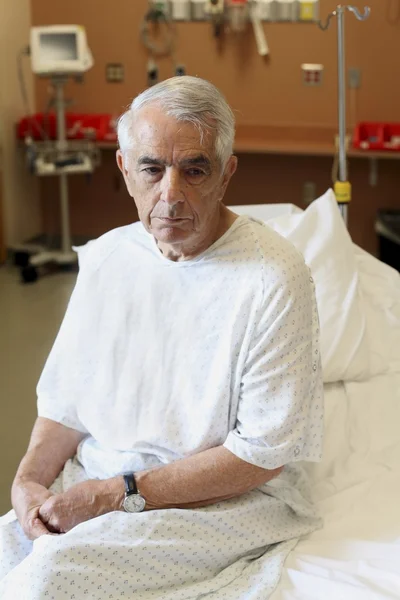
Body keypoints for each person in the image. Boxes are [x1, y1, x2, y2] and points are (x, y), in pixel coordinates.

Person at [0, 76, 324, 600]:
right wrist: (28, 480)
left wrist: (115, 496)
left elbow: (262, 455)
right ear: (126, 171)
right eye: (152, 169)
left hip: (228, 500)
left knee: (46, 583)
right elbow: (66, 404)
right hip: (103, 478)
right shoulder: (107, 258)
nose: (170, 195)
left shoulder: (273, 276)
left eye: (195, 170)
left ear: (227, 174)